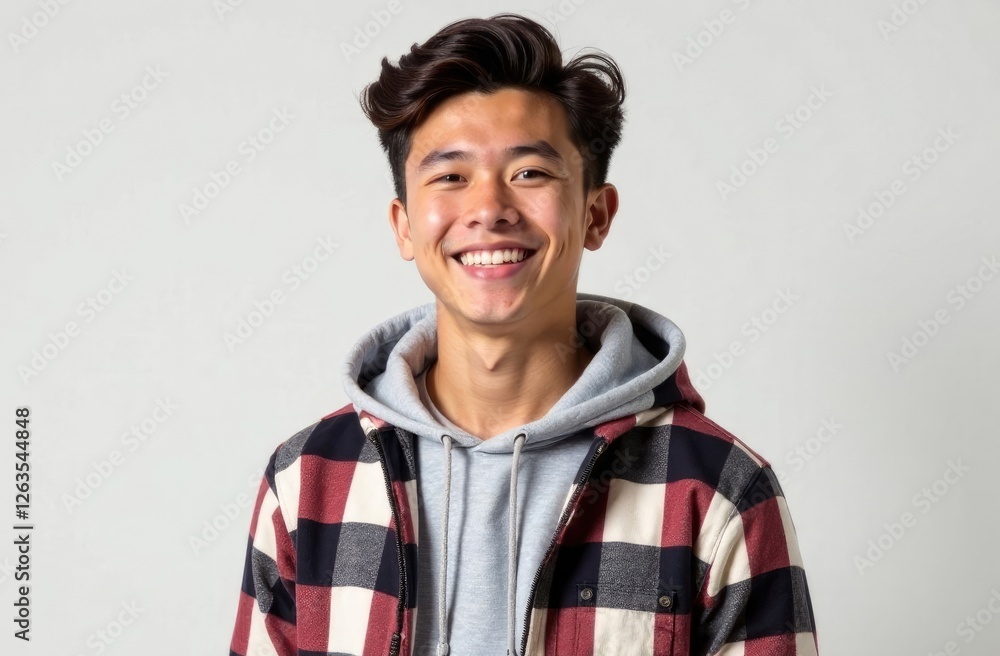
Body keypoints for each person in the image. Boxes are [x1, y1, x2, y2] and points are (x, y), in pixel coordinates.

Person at [229, 13, 817, 656]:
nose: (489, 209)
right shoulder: (310, 478)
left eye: (530, 173)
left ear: (596, 213)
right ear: (403, 225)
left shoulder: (718, 489)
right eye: (450, 176)